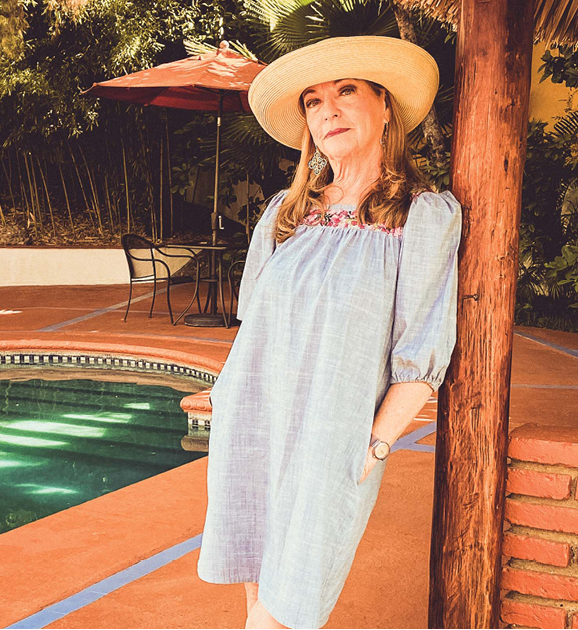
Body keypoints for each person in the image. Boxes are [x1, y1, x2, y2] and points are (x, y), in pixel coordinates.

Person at [196, 36, 462, 629]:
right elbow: (254, 327)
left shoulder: (420, 215)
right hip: (254, 421)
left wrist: (372, 447)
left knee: (285, 609)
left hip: (335, 437)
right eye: (314, 102)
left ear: (386, 105)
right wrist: (226, 395)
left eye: (347, 92)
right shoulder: (285, 214)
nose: (329, 111)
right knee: (258, 586)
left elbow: (420, 354)